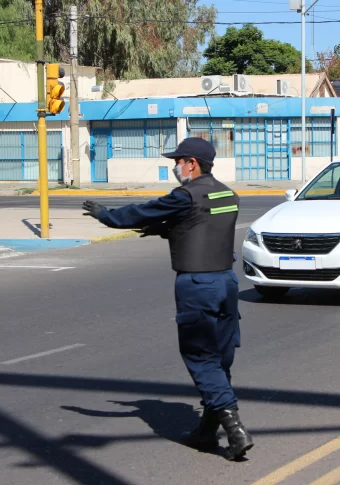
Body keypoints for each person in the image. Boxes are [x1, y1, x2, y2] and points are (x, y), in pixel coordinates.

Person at [82, 137, 253, 460]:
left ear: (191, 163)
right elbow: (199, 223)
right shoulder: (228, 195)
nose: (175, 168)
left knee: (201, 357)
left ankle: (234, 427)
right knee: (219, 359)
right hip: (226, 284)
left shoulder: (186, 194)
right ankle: (205, 432)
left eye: (178, 162)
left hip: (197, 285)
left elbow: (146, 211)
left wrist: (107, 216)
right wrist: (164, 230)